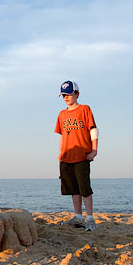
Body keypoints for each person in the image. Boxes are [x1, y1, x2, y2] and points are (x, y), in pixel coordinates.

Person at [55, 80, 98, 231]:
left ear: (77, 94)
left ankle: (90, 218)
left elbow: (93, 129)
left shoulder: (84, 109)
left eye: (69, 94)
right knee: (73, 189)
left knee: (84, 188)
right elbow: (62, 135)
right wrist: (61, 153)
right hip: (67, 156)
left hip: (82, 155)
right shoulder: (62, 114)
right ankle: (78, 217)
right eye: (63, 95)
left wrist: (94, 150)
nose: (66, 97)